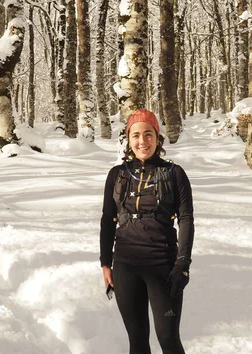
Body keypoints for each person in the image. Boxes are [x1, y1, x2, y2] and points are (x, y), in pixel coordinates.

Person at [100, 109, 195, 354]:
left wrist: (182, 263)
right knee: (138, 340)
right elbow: (107, 220)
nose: (143, 141)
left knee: (168, 339)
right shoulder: (117, 175)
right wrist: (105, 263)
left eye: (148, 134)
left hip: (163, 265)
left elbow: (185, 219)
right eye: (136, 135)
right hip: (125, 266)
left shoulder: (174, 174)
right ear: (128, 139)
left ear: (157, 137)